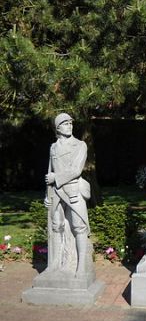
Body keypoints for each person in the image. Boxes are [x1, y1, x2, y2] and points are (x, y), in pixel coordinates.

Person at [44, 113, 91, 277]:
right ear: (58, 128)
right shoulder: (53, 147)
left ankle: (81, 266)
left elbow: (76, 170)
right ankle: (55, 263)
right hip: (56, 193)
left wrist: (56, 178)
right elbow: (50, 172)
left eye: (71, 123)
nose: (69, 126)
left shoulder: (80, 145)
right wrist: (46, 195)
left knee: (79, 226)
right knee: (56, 227)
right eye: (65, 124)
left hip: (73, 190)